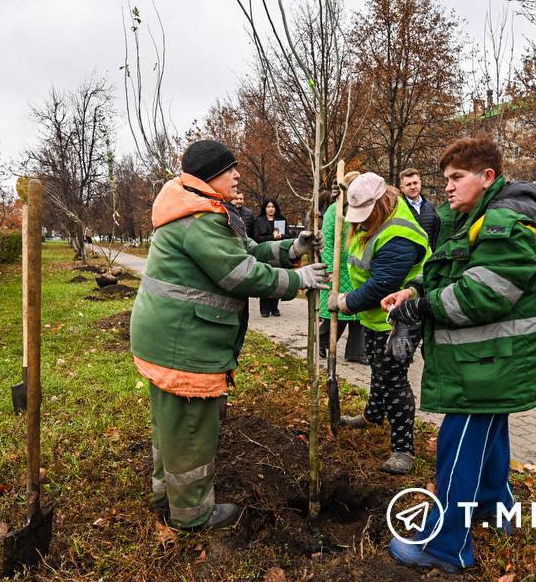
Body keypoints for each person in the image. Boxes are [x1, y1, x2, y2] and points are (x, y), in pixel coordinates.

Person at [382, 135, 536, 572]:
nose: (446, 187)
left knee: (460, 445)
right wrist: (413, 289)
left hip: (492, 361)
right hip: (493, 360)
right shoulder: (474, 216)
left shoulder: (503, 224)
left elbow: (480, 295)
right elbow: (449, 269)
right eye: (444, 179)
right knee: (490, 433)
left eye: (456, 178)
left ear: (487, 177)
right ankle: (493, 506)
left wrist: (420, 308)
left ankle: (444, 544)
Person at [130, 140, 325, 530]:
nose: (238, 175)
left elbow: (246, 250)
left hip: (172, 338)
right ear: (208, 177)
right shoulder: (200, 220)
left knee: (170, 424)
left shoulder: (202, 210)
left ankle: (163, 496)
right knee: (191, 432)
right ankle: (192, 515)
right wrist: (296, 280)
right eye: (230, 169)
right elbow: (240, 273)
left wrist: (291, 249)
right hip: (183, 344)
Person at [329, 172, 430, 474]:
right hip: (377, 316)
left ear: (381, 203)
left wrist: (344, 301)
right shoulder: (376, 221)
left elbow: (381, 287)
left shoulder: (399, 235)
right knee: (378, 366)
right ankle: (373, 415)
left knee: (393, 379)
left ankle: (404, 449)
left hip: (400, 317)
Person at [318, 171, 367, 364]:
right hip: (339, 267)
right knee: (334, 310)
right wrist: (329, 267)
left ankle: (356, 351)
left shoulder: (364, 209)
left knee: (358, 311)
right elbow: (327, 241)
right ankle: (324, 343)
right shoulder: (334, 210)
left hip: (357, 266)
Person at [250, 199, 287, 317]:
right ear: (265, 209)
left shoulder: (282, 220)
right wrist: (272, 237)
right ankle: (264, 309)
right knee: (266, 280)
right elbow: (256, 238)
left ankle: (274, 308)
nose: (271, 209)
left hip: (278, 254)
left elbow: (289, 235)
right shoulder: (259, 221)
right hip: (265, 253)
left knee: (277, 280)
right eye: (268, 207)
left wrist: (281, 236)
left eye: (273, 207)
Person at [399, 167, 441, 251]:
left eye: (415, 183)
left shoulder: (431, 207)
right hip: (410, 260)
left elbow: (436, 235)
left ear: (420, 183)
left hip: (430, 258)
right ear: (402, 188)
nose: (413, 187)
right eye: (408, 184)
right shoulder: (398, 209)